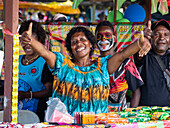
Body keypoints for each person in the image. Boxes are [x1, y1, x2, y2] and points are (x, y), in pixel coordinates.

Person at [20, 23, 150, 116]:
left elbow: (122, 55)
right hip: (65, 125)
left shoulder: (103, 66)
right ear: (70, 48)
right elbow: (44, 52)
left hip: (97, 125)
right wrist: (30, 41)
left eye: (83, 40)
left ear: (91, 44)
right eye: (74, 42)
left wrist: (139, 43)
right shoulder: (62, 64)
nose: (78, 44)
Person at [95, 21, 144, 110]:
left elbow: (136, 91)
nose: (103, 39)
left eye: (107, 35)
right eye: (99, 36)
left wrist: (131, 114)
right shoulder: (93, 65)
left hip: (120, 118)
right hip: (98, 117)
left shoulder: (126, 63)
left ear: (114, 38)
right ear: (95, 40)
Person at [18, 20, 54, 121]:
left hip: (38, 114)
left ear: (39, 42)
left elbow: (49, 91)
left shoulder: (45, 62)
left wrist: (27, 95)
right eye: (24, 41)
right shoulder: (16, 60)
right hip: (17, 112)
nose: (27, 45)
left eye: (31, 41)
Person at [134, 19, 170, 107]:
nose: (162, 38)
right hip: (146, 114)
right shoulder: (145, 55)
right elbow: (139, 54)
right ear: (151, 37)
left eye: (166, 35)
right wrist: (144, 39)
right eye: (157, 34)